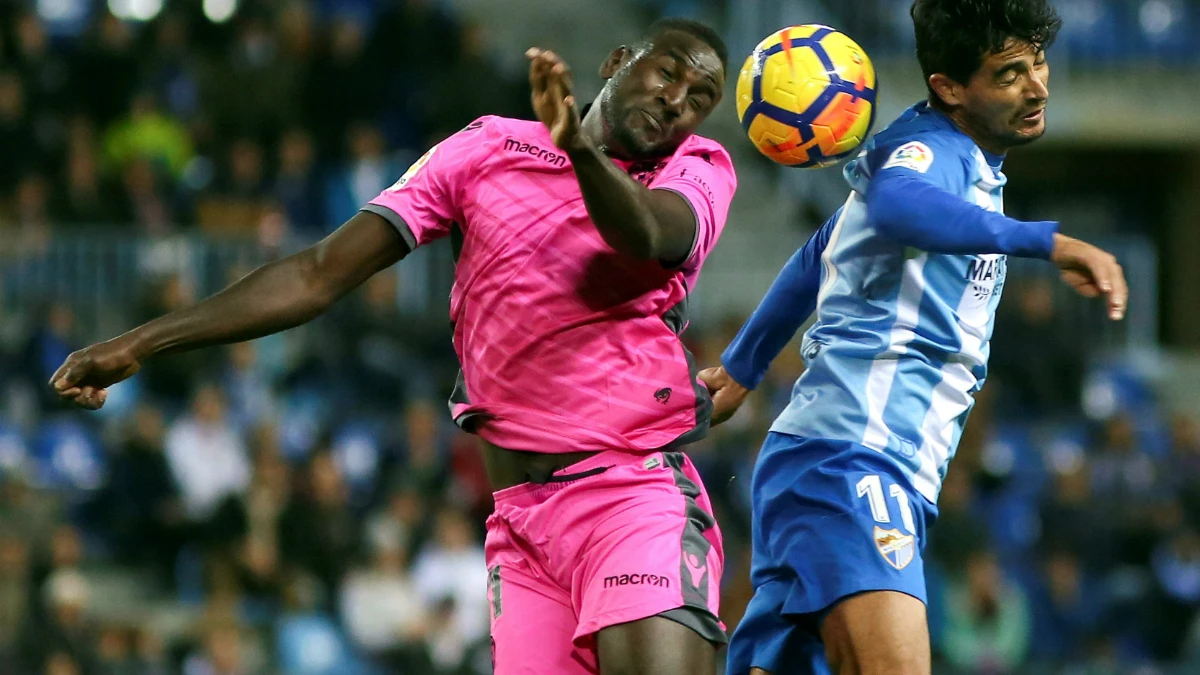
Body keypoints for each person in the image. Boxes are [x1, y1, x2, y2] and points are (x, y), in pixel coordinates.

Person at [49, 18, 736, 675]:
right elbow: (319, 272)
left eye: (698, 98)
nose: (676, 100)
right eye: (667, 72)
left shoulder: (697, 168)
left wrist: (579, 150)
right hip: (521, 525)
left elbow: (649, 235)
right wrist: (144, 341)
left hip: (631, 496)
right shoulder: (486, 149)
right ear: (618, 63)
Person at [703, 2, 1128, 674]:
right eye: (1010, 73)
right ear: (949, 86)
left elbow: (824, 246)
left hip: (841, 464)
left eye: (1038, 63)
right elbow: (899, 204)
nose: (1038, 85)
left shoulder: (961, 160)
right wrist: (1046, 241)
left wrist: (744, 365)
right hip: (854, 462)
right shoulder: (933, 153)